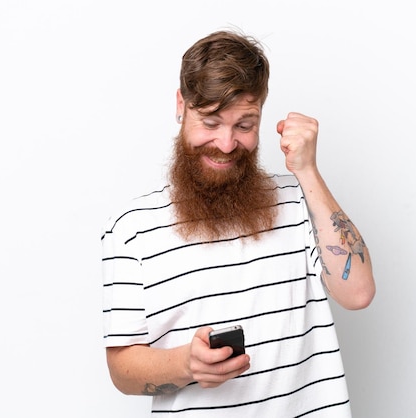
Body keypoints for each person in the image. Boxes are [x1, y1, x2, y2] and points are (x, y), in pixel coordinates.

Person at [100, 29, 375, 417]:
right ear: (181, 104)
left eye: (244, 126)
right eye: (210, 122)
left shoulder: (299, 201)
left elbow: (358, 293)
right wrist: (186, 365)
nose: (226, 144)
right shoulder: (130, 230)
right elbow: (121, 369)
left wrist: (307, 171)